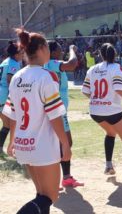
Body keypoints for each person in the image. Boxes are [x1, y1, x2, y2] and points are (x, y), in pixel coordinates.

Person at [3, 28, 71, 213]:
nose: (49, 51)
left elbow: (14, 115)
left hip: (24, 144)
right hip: (43, 146)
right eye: (47, 47)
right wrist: (65, 144)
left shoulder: (17, 77)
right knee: (51, 196)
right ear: (41, 49)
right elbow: (55, 115)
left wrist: (12, 141)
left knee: (41, 194)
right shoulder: (46, 76)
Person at [81, 43, 122, 185]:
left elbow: (85, 91)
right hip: (112, 111)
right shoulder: (116, 68)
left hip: (95, 111)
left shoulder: (92, 69)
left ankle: (109, 166)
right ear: (114, 54)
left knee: (110, 133)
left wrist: (97, 100)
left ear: (101, 55)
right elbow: (118, 89)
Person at [44, 42, 84, 188]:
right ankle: (60, 178)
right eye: (60, 50)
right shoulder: (52, 63)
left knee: (58, 144)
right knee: (66, 143)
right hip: (57, 109)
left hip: (55, 109)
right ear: (53, 52)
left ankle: (63, 178)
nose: (61, 53)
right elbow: (72, 64)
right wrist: (72, 50)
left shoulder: (47, 64)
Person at [0, 41, 23, 154]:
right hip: (4, 96)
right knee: (12, 123)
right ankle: (14, 148)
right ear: (16, 54)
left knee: (7, 124)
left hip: (1, 94)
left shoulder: (5, 61)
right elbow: (10, 80)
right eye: (21, 52)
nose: (23, 54)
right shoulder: (14, 63)